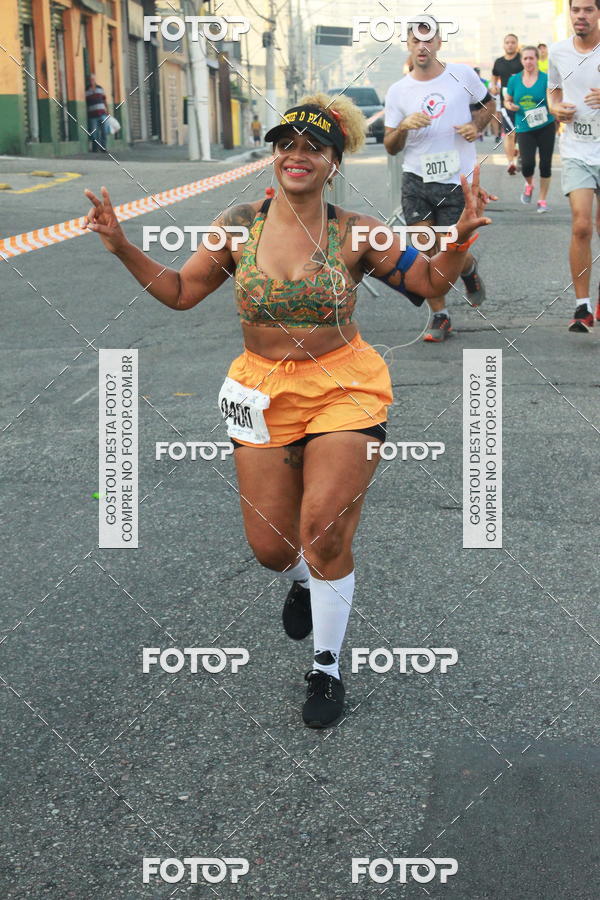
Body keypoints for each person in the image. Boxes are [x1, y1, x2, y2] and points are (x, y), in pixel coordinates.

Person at [83, 95, 494, 727]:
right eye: (287, 144)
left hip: (343, 389)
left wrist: (460, 239)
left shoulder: (356, 231)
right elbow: (182, 291)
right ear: (274, 154)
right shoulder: (239, 222)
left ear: (334, 162)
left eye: (313, 148)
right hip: (262, 391)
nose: (296, 156)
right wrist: (119, 246)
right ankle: (304, 579)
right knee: (273, 549)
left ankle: (326, 667)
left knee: (325, 528)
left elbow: (429, 284)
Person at [383, 21, 496, 341]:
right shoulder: (398, 91)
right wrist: (403, 127)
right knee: (425, 251)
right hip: (416, 179)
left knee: (451, 250)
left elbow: (490, 104)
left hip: (455, 180)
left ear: (439, 43)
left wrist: (477, 124)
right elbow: (391, 146)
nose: (422, 46)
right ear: (407, 44)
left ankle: (468, 269)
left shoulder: (462, 75)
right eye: (415, 40)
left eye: (427, 39)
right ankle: (440, 316)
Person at [547, 0, 600, 332]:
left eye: (588, 10)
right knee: (581, 225)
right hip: (577, 148)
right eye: (576, 9)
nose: (581, 16)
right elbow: (553, 89)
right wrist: (556, 108)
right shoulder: (558, 51)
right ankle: (582, 307)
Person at [505, 46, 555, 212]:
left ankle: (542, 200)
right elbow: (508, 99)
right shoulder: (514, 80)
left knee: (545, 165)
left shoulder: (546, 79)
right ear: (521, 61)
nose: (528, 62)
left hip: (545, 125)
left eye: (531, 58)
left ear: (537, 59)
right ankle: (529, 184)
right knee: (527, 165)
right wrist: (509, 105)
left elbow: (553, 100)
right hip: (524, 126)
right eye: (525, 58)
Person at [492, 34, 524, 174]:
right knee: (509, 133)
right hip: (506, 102)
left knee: (522, 133)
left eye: (513, 42)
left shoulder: (522, 59)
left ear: (517, 44)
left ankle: (521, 154)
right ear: (503, 45)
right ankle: (511, 163)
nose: (510, 45)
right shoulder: (499, 62)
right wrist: (493, 86)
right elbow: (494, 77)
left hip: (523, 101)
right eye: (507, 42)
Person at [86, 73, 108, 153]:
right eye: (91, 79)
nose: (92, 80)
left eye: (93, 79)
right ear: (89, 80)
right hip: (92, 115)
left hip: (102, 113)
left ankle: (103, 148)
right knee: (94, 133)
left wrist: (107, 110)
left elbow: (104, 99)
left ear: (95, 80)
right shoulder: (87, 90)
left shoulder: (100, 88)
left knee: (104, 131)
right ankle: (95, 148)